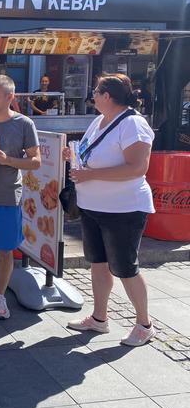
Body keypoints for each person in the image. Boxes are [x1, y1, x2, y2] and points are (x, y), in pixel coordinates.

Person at [64, 73, 156, 347]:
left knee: (126, 267)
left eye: (96, 91)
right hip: (93, 206)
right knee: (98, 264)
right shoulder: (99, 120)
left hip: (123, 209)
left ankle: (144, 323)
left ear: (107, 96)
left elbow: (137, 168)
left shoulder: (133, 124)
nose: (92, 95)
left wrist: (91, 176)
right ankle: (99, 318)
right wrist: (75, 157)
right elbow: (90, 155)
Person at [0, 75, 41, 319]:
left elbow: (35, 161)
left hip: (7, 197)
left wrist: (8, 161)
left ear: (10, 97)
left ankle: (0, 295)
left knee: (6, 250)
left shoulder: (24, 124)